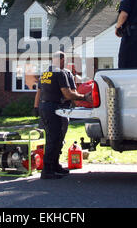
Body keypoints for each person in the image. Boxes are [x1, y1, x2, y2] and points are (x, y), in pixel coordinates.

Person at [38, 51, 92, 179]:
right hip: (53, 108)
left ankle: (55, 166)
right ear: (61, 59)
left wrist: (36, 107)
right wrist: (84, 97)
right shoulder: (60, 73)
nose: (66, 63)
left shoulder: (46, 72)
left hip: (45, 106)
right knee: (54, 139)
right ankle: (47, 170)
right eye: (65, 60)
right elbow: (68, 94)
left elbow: (39, 92)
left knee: (55, 138)